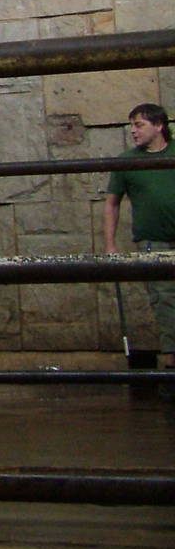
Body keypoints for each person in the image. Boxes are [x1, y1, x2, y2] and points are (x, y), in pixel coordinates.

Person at [102, 102, 175, 391]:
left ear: (159, 125)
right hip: (153, 240)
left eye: (139, 124)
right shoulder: (126, 162)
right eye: (132, 125)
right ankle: (172, 365)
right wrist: (110, 244)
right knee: (165, 302)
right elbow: (111, 204)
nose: (133, 131)